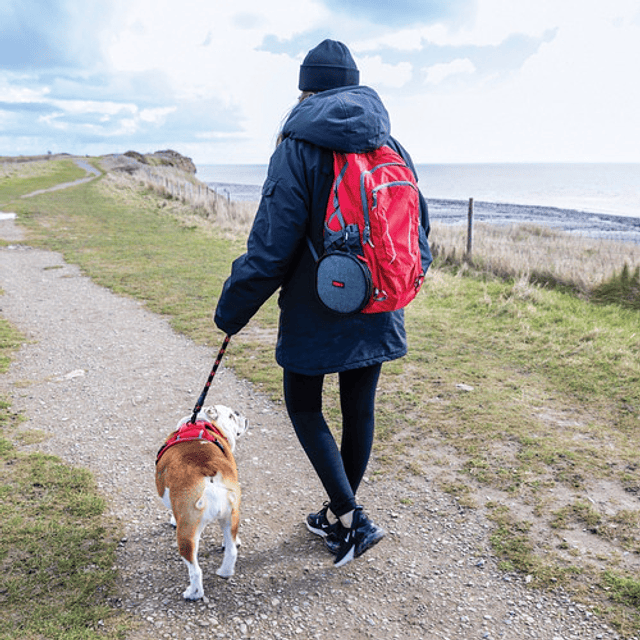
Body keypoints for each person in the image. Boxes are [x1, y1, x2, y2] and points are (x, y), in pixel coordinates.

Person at [214, 39, 432, 567]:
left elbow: (271, 247)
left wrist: (231, 310)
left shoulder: (297, 145)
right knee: (359, 408)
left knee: (304, 406)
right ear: (354, 84)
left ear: (305, 90)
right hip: (380, 300)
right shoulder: (390, 143)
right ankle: (341, 516)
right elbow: (420, 228)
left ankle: (352, 519)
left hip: (319, 303)